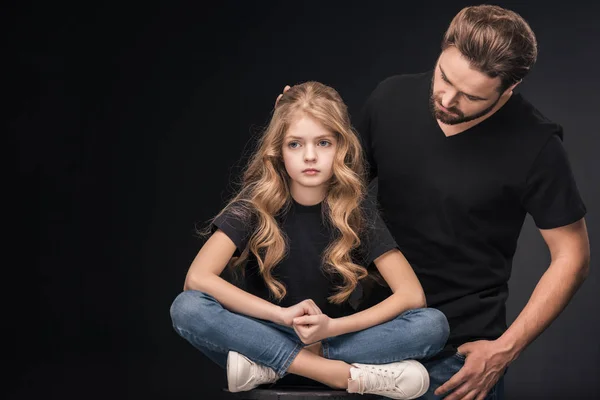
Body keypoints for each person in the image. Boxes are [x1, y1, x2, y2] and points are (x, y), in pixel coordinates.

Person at [274, 4, 590, 400]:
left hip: (460, 362)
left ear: (509, 88)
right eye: (444, 77)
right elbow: (333, 193)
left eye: (471, 96)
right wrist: (296, 127)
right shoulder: (390, 97)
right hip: (371, 340)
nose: (447, 99)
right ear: (443, 49)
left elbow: (572, 256)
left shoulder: (537, 146)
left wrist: (505, 350)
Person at [169, 81, 450, 399]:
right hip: (265, 335)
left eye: (323, 143)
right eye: (295, 144)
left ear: (340, 146)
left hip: (321, 343)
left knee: (431, 325)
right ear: (278, 149)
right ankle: (336, 374)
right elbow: (197, 279)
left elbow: (412, 295)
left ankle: (281, 366)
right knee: (188, 307)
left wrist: (330, 328)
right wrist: (281, 316)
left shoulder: (353, 209)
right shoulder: (254, 202)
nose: (310, 156)